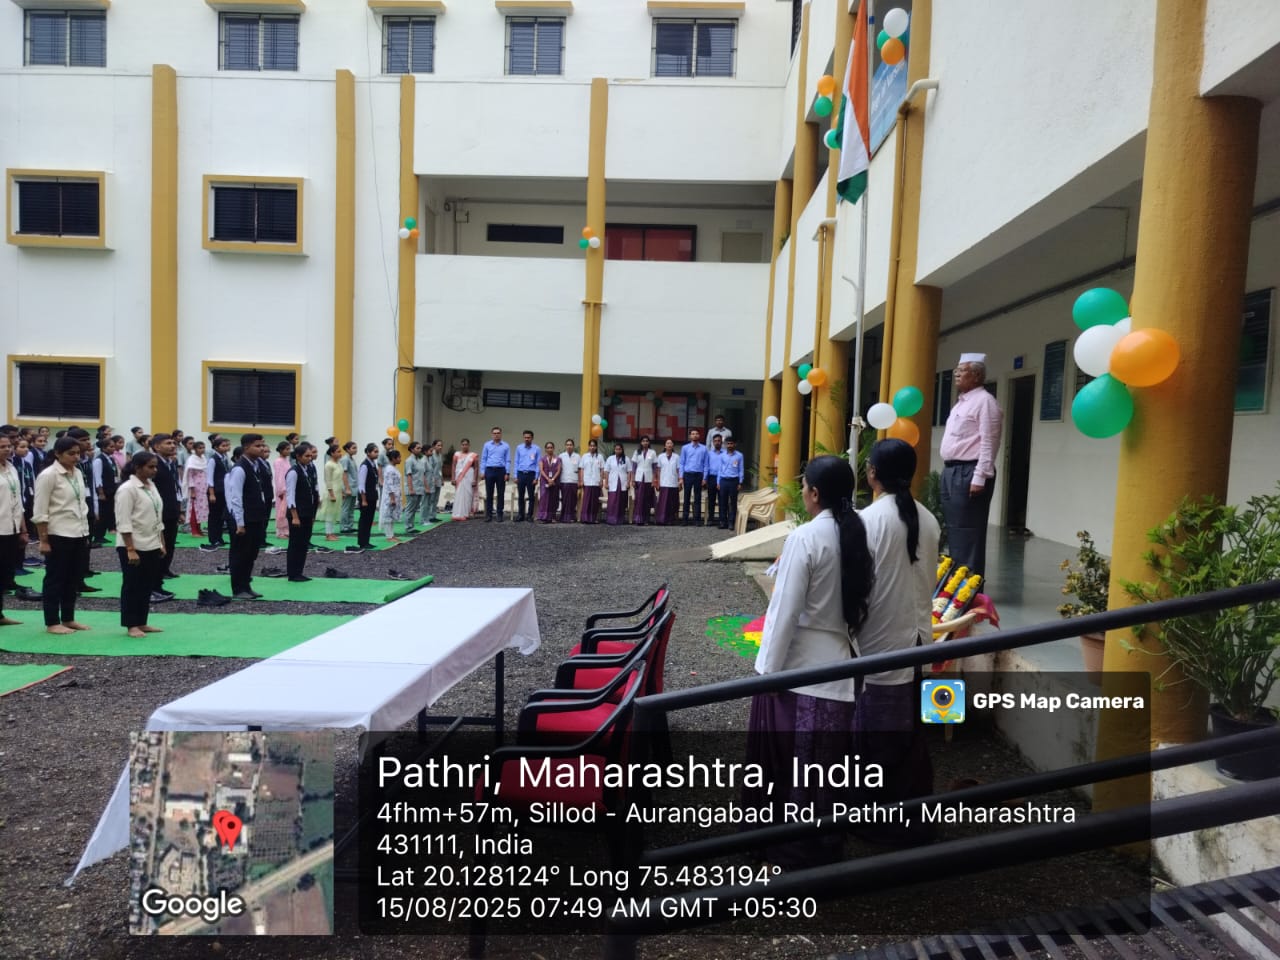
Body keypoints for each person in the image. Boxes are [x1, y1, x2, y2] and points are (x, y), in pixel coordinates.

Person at [746, 455, 875, 869]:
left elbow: (784, 610)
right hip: (843, 666)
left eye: (804, 487)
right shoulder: (858, 533)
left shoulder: (805, 537)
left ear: (815, 493)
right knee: (826, 768)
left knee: (794, 765)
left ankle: (794, 851)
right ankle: (823, 846)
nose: (802, 492)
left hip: (802, 672)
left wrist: (766, 672)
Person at [854, 438, 942, 845]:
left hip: (879, 641)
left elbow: (857, 587)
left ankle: (878, 822)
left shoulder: (868, 521)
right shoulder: (929, 520)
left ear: (872, 473)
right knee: (909, 732)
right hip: (918, 639)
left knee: (876, 735)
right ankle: (912, 815)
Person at [939, 352, 1004, 578]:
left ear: (976, 375)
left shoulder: (985, 402)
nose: (956, 374)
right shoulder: (962, 403)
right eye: (956, 370)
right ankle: (956, 583)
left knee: (968, 533)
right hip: (952, 470)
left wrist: (980, 476)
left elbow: (989, 441)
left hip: (969, 472)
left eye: (962, 370)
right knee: (955, 531)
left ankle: (969, 586)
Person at [32, 437, 93, 635]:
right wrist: (43, 540)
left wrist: (85, 530)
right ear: (58, 454)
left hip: (79, 531)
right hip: (58, 533)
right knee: (55, 578)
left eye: (78, 453)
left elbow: (80, 503)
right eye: (71, 453)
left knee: (73, 578)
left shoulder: (77, 472)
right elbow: (40, 510)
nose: (76, 457)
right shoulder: (48, 475)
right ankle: (52, 621)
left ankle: (68, 618)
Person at [114, 452, 166, 638]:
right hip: (133, 544)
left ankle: (142, 621)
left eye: (155, 466)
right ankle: (131, 624)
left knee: (146, 584)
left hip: (151, 542)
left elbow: (157, 515)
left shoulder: (151, 486)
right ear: (137, 467)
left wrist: (161, 542)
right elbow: (123, 521)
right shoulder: (127, 489)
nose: (154, 470)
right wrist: (130, 549)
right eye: (150, 467)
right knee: (132, 585)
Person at [225, 434, 272, 600]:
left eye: (262, 445)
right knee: (240, 554)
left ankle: (246, 585)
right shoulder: (239, 468)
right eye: (257, 446)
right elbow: (235, 497)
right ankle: (238, 588)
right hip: (244, 519)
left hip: (256, 516)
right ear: (246, 447)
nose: (262, 449)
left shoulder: (257, 465)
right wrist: (239, 522)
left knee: (251, 554)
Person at [0, 435, 27, 626]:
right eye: (2, 446)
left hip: (12, 528)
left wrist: (23, 529)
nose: (7, 449)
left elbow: (18, 501)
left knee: (5, 573)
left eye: (9, 446)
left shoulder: (11, 468)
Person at [149, 434, 181, 590]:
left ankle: (164, 570)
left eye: (173, 443)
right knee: (159, 546)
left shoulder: (171, 463)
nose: (173, 445)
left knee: (170, 543)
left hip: (171, 509)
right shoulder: (152, 465)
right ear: (157, 447)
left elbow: (174, 487)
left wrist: (178, 509)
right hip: (158, 511)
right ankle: (155, 581)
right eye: (168, 443)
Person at [285, 441, 321, 581]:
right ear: (298, 457)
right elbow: (290, 495)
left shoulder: (308, 470)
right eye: (307, 456)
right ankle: (293, 573)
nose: (310, 458)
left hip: (307, 512)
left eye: (311, 456)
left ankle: (299, 571)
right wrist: (294, 516)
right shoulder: (294, 472)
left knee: (303, 543)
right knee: (295, 543)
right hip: (297, 513)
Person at [203, 436, 233, 549]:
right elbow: (209, 478)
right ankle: (213, 539)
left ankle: (219, 538)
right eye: (223, 446)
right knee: (214, 516)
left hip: (223, 490)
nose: (226, 448)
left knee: (221, 516)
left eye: (227, 445)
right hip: (215, 491)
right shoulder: (213, 459)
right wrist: (211, 493)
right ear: (216, 447)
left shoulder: (225, 458)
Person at [91, 437, 120, 546]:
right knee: (102, 514)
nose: (113, 449)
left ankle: (102, 535)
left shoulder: (111, 459)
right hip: (104, 491)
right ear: (104, 448)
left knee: (108, 513)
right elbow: (97, 477)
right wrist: (101, 492)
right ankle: (97, 536)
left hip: (111, 490)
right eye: (111, 447)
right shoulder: (99, 460)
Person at [480, 426, 511, 522]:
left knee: (501, 493)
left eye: (498, 433)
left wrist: (507, 472)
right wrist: (482, 471)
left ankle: (499, 514)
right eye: (494, 433)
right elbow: (484, 459)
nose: (496, 435)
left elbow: (508, 460)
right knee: (489, 493)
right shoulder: (487, 445)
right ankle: (488, 515)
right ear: (492, 434)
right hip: (489, 470)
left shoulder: (506, 446)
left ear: (501, 434)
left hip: (501, 471)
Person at [678, 429, 708, 525]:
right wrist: (681, 477)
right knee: (686, 497)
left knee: (697, 498)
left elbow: (706, 464)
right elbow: (682, 463)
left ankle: (697, 519)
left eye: (696, 434)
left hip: (699, 475)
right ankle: (685, 519)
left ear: (699, 436)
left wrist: (705, 478)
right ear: (690, 436)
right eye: (693, 434)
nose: (695, 435)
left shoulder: (704, 448)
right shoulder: (685, 448)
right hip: (687, 474)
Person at [355, 443, 380, 550]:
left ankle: (366, 541)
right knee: (364, 520)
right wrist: (363, 499)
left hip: (372, 495)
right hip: (366, 497)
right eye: (375, 451)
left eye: (377, 451)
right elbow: (361, 484)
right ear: (368, 453)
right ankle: (362, 542)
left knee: (369, 520)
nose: (377, 454)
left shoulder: (373, 465)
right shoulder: (365, 465)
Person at [718, 437, 745, 531]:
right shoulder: (722, 455)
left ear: (735, 444)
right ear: (726, 445)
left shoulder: (739, 455)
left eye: (731, 443)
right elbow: (719, 469)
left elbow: (741, 469)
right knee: (723, 502)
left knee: (733, 503)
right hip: (723, 480)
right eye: (728, 444)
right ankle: (723, 522)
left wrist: (740, 482)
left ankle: (731, 522)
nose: (730, 445)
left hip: (734, 481)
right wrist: (718, 482)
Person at [319, 444, 344, 542]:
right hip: (331, 492)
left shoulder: (339, 464)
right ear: (332, 453)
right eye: (338, 451)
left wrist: (342, 491)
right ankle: (328, 534)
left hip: (338, 491)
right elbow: (328, 480)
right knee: (329, 513)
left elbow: (340, 479)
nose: (340, 453)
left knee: (335, 513)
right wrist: (331, 494)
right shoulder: (329, 465)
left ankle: (332, 532)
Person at [630, 436, 657, 526]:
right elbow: (633, 467)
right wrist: (633, 480)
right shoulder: (637, 452)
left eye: (647, 441)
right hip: (638, 478)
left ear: (649, 443)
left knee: (646, 500)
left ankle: (646, 520)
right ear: (641, 443)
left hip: (648, 479)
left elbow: (654, 468)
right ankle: (638, 519)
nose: (645, 442)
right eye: (643, 441)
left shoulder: (652, 452)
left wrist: (654, 480)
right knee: (639, 499)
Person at [183, 440, 209, 536]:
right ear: (194, 449)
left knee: (202, 509)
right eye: (200, 448)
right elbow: (189, 476)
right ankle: (194, 531)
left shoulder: (203, 458)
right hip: (195, 488)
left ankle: (199, 529)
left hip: (203, 487)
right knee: (194, 509)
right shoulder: (192, 459)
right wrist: (192, 490)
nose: (202, 450)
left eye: (203, 448)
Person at [603, 442, 631, 526]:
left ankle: (620, 519)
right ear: (614, 450)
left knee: (621, 502)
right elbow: (606, 471)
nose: (618, 451)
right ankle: (611, 519)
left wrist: (628, 482)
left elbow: (629, 471)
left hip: (622, 482)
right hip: (613, 482)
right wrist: (606, 483)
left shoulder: (626, 459)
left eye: (619, 449)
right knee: (612, 502)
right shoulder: (610, 458)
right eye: (616, 449)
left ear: (622, 450)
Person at [514, 430, 539, 522]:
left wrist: (536, 477)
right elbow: (516, 462)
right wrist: (515, 476)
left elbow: (538, 464)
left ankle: (529, 515)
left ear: (532, 438)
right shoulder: (519, 448)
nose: (526, 439)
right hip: (521, 474)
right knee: (521, 496)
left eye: (528, 437)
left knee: (531, 496)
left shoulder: (536, 449)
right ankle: (520, 515)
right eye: (525, 437)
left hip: (531, 475)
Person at [271, 440, 294, 543]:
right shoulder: (278, 461)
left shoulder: (286, 460)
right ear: (281, 450)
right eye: (287, 449)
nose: (289, 451)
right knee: (281, 511)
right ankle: (281, 532)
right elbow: (279, 477)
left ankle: (287, 531)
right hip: (282, 490)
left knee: (286, 511)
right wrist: (281, 490)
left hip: (288, 488)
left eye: (289, 449)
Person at [379, 449, 403, 544]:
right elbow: (389, 484)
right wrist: (392, 498)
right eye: (399, 457)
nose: (400, 459)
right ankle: (389, 536)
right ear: (393, 458)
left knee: (392, 516)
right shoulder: (389, 469)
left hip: (395, 495)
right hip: (390, 496)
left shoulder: (393, 468)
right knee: (388, 516)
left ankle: (392, 534)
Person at [451, 439, 478, 521]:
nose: (464, 446)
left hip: (469, 476)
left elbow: (476, 468)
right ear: (461, 445)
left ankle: (466, 513)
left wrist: (474, 480)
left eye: (466, 444)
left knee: (468, 495)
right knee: (459, 495)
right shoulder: (456, 454)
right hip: (459, 477)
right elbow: (453, 466)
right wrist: (453, 478)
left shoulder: (473, 455)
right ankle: (457, 514)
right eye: (463, 444)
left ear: (469, 445)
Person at [655, 439, 680, 526]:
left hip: (673, 482)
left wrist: (680, 481)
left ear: (673, 446)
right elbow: (658, 470)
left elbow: (678, 470)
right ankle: (661, 519)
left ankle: (671, 520)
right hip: (663, 482)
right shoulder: (660, 456)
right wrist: (658, 481)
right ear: (665, 446)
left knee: (672, 502)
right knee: (663, 502)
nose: (669, 445)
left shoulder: (677, 457)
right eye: (667, 443)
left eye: (671, 443)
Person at [578, 439, 604, 524]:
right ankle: (585, 518)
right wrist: (581, 480)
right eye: (591, 446)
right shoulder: (585, 456)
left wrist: (601, 480)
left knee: (594, 501)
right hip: (587, 481)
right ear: (588, 447)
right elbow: (581, 469)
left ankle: (593, 518)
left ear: (596, 447)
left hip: (596, 482)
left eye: (594, 446)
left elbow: (602, 469)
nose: (592, 447)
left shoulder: (600, 457)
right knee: (586, 500)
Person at [403, 441, 426, 534]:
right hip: (412, 488)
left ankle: (411, 526)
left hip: (419, 488)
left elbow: (422, 474)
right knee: (410, 509)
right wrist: (411, 489)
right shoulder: (409, 461)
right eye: (417, 448)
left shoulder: (419, 460)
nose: (420, 450)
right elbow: (409, 475)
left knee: (414, 508)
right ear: (412, 450)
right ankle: (408, 527)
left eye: (420, 448)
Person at [536, 441, 561, 523]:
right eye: (548, 448)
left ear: (553, 448)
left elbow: (558, 470)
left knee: (553, 499)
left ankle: (552, 517)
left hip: (554, 481)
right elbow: (541, 470)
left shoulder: (558, 459)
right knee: (544, 499)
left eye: (551, 447)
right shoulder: (542, 459)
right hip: (544, 481)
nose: (550, 449)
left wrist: (552, 479)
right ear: (545, 449)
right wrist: (548, 479)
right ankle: (543, 517)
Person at [705, 433, 725, 528]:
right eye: (715, 441)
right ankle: (710, 519)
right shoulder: (709, 454)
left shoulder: (725, 454)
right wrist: (705, 479)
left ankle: (722, 520)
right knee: (711, 500)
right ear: (713, 442)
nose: (717, 442)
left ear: (721, 442)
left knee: (722, 500)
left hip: (722, 479)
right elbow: (706, 466)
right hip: (711, 478)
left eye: (719, 441)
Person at [558, 439, 581, 524]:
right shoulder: (561, 456)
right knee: (564, 499)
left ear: (573, 446)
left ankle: (571, 517)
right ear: (565, 446)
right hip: (564, 480)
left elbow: (579, 469)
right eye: (567, 445)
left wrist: (580, 480)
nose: (569, 446)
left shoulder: (577, 456)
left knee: (573, 500)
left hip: (574, 481)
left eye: (571, 445)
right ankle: (563, 517)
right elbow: (559, 469)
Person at [339, 441, 360, 534]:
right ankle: (344, 527)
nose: (356, 450)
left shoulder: (351, 459)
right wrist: (347, 488)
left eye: (356, 448)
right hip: (349, 486)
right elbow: (344, 474)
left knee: (351, 508)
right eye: (353, 448)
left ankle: (349, 526)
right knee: (346, 507)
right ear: (347, 449)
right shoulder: (345, 459)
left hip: (354, 486)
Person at [424, 440, 443, 521]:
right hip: (432, 479)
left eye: (441, 445)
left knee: (436, 498)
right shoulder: (431, 455)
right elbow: (430, 468)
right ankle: (429, 516)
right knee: (431, 499)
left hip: (438, 478)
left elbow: (439, 468)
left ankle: (433, 516)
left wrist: (442, 479)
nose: (440, 447)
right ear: (434, 446)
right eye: (438, 445)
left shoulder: (440, 455)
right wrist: (433, 479)